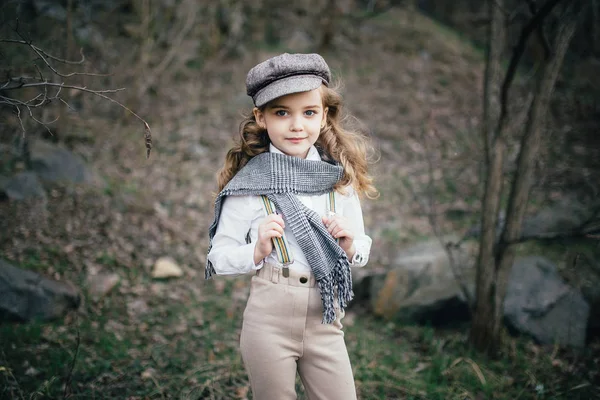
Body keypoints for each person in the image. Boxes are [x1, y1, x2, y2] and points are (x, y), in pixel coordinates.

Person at [206, 53, 378, 400]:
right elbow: (218, 256)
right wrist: (256, 250)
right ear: (262, 117)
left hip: (325, 316)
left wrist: (349, 246)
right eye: (282, 112)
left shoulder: (338, 181)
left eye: (309, 112)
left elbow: (361, 246)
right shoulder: (249, 185)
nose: (297, 125)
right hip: (269, 318)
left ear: (324, 116)